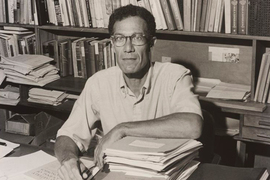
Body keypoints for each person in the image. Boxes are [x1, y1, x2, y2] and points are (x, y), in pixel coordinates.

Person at [55, 4, 203, 180]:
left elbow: (193, 125)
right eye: (120, 38)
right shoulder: (99, 82)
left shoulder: (175, 76)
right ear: (112, 44)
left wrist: (122, 129)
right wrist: (69, 160)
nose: (128, 48)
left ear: (151, 43)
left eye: (137, 38)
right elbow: (66, 136)